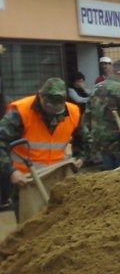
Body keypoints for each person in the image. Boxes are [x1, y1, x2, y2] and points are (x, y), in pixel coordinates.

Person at [0, 77, 85, 218]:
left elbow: (85, 140)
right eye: (48, 108)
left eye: (56, 110)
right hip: (26, 181)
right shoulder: (21, 112)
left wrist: (81, 158)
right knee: (29, 225)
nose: (51, 113)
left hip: (56, 177)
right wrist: (11, 172)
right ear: (40, 96)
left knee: (59, 222)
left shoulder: (72, 112)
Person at [84, 59, 120, 170]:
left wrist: (89, 139)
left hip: (99, 141)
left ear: (112, 70)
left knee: (106, 177)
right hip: (119, 142)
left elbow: (87, 116)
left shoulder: (95, 88)